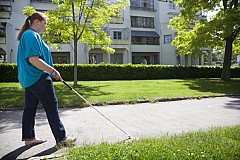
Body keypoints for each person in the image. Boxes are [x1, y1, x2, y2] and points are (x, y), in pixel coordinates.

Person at [17, 12, 76, 146]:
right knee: (51, 106)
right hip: (38, 77)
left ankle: (29, 138)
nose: (46, 27)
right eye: (45, 23)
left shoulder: (29, 35)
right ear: (36, 22)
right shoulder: (31, 35)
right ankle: (62, 139)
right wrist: (52, 71)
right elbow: (33, 59)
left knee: (30, 108)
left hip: (30, 79)